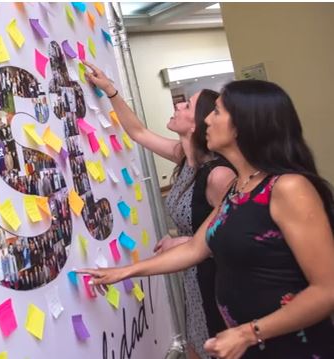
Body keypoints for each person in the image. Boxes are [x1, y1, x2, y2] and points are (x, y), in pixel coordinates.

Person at [78, 80, 334, 359]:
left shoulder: (288, 188)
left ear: (242, 125)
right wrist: (123, 272)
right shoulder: (240, 187)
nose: (208, 120)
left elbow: (327, 289)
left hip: (290, 346)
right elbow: (194, 248)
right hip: (247, 343)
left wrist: (248, 332)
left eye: (217, 112)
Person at [84, 61, 235, 358]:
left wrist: (187, 242)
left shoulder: (219, 175)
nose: (178, 106)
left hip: (216, 279)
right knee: (197, 343)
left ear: (199, 122)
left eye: (187, 106)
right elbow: (138, 132)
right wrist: (111, 90)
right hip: (191, 274)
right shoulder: (183, 156)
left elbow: (237, 238)